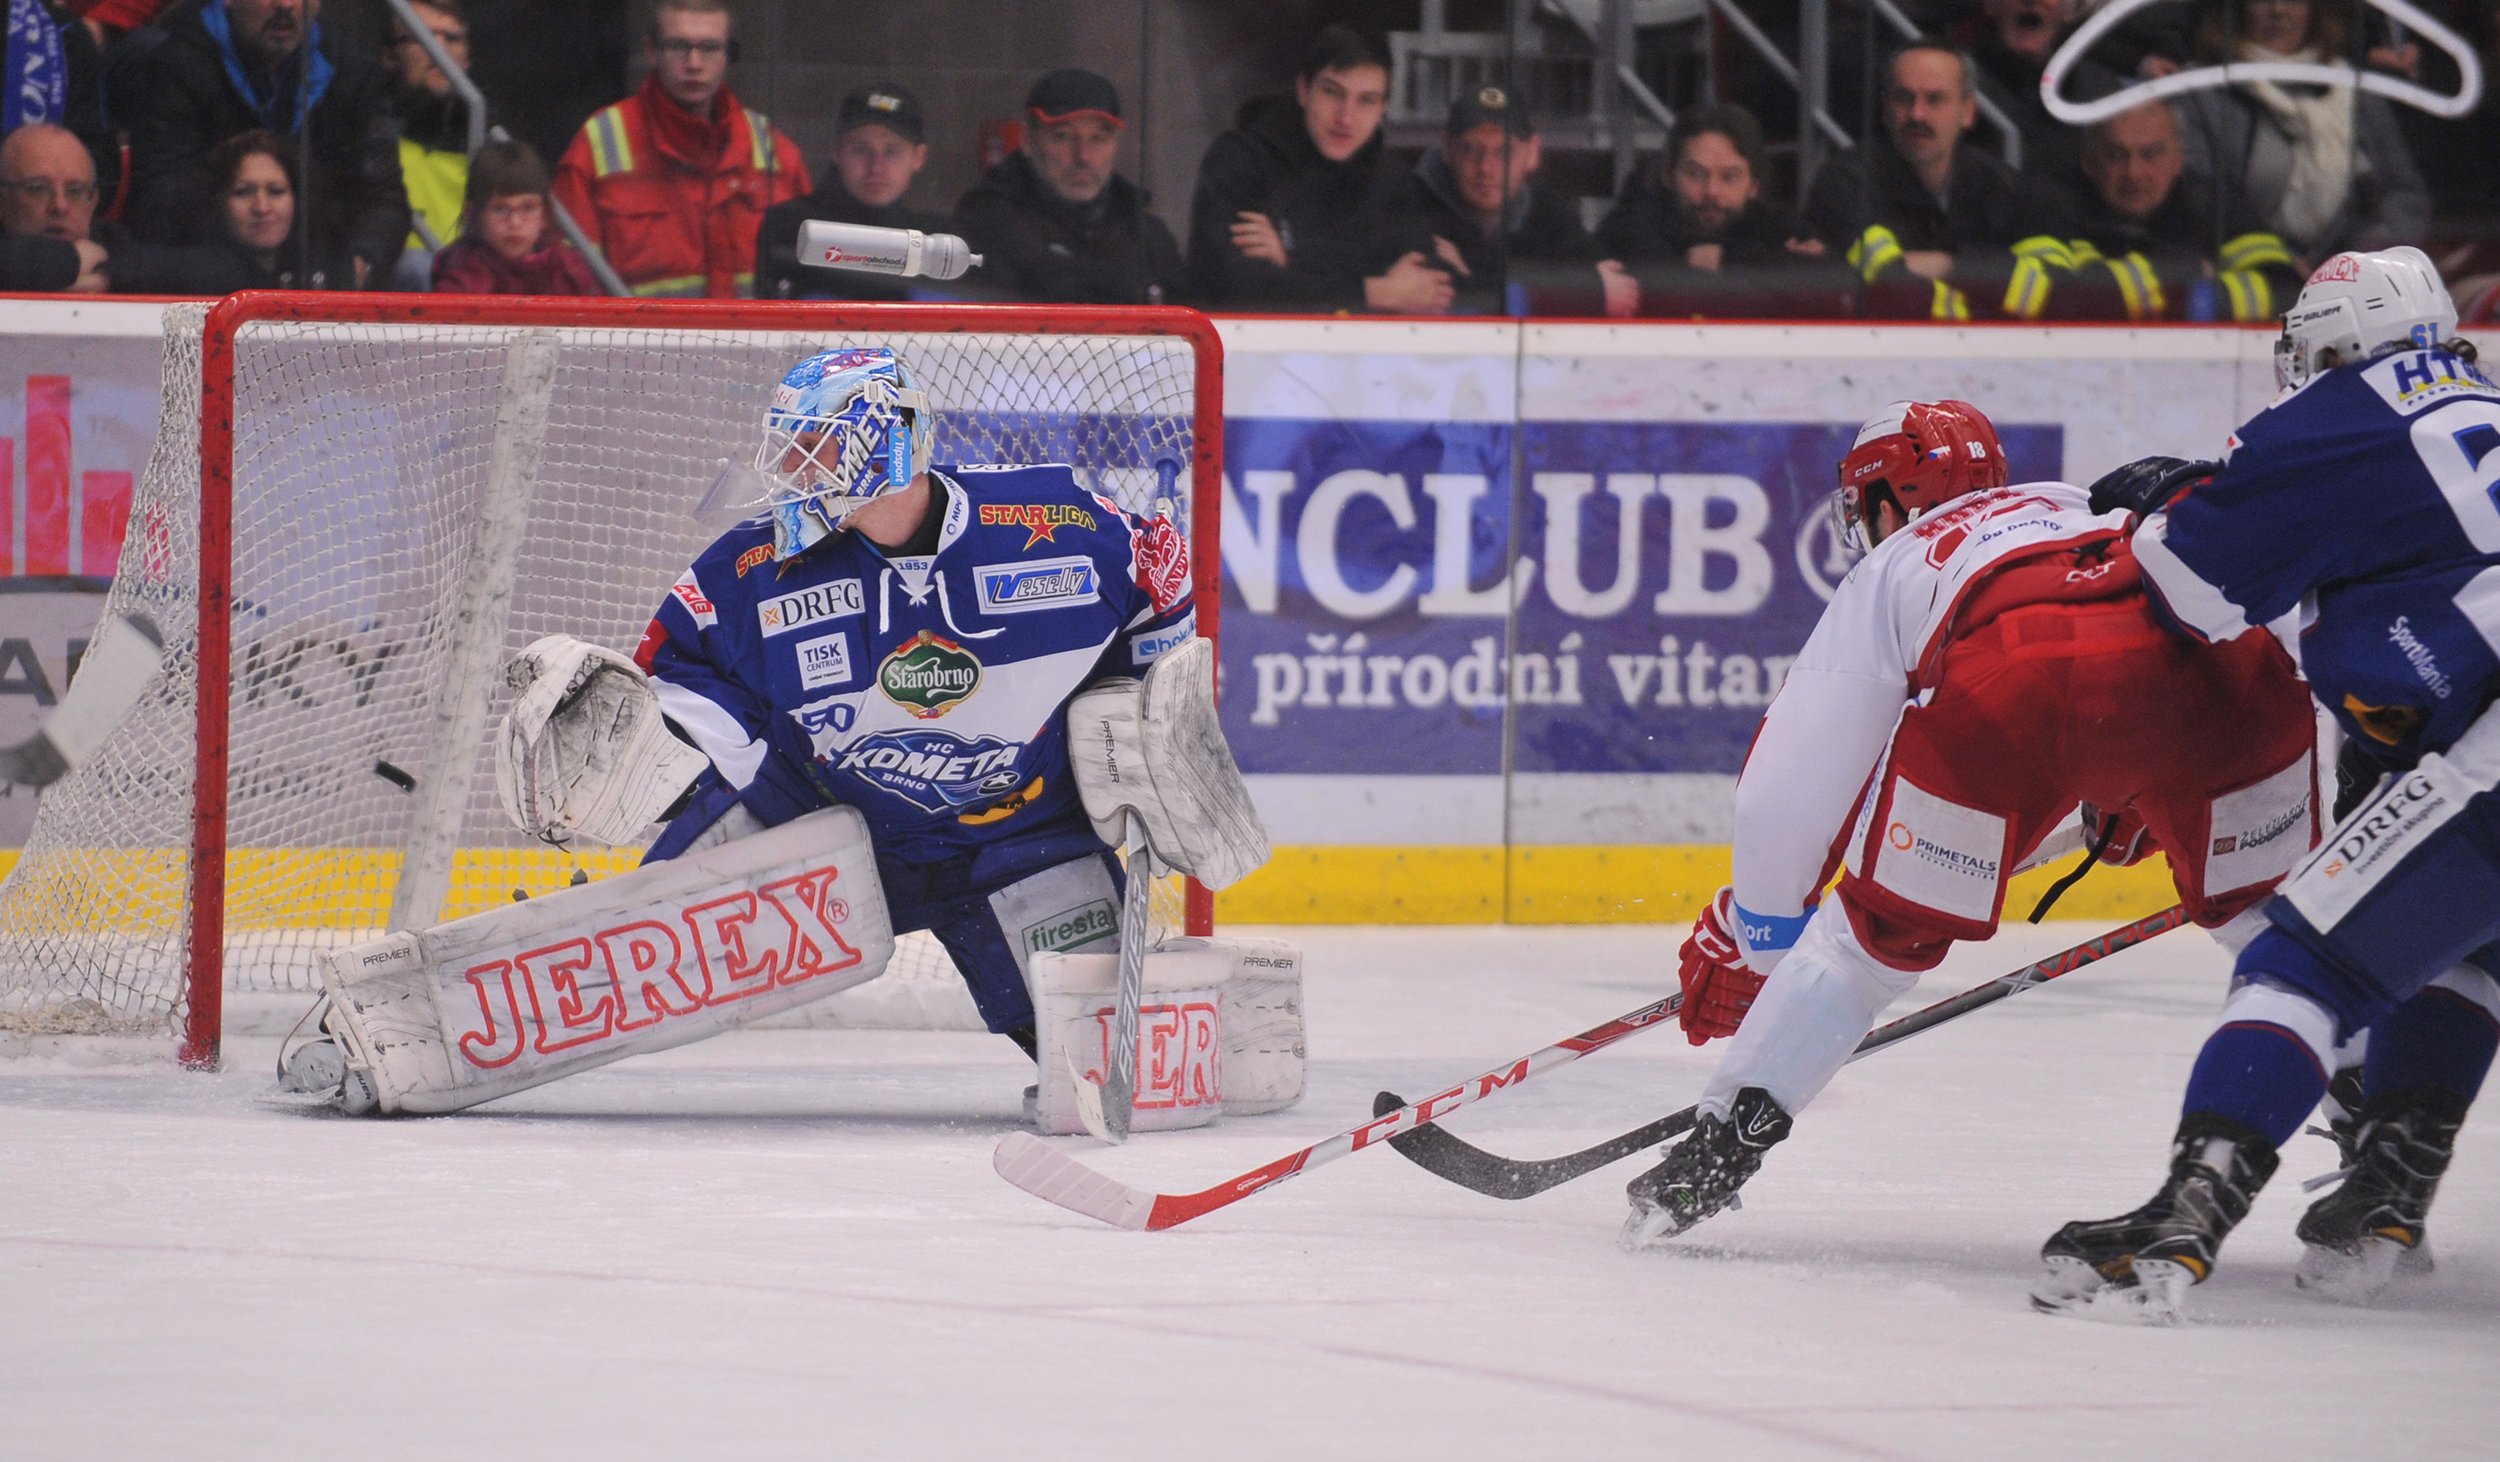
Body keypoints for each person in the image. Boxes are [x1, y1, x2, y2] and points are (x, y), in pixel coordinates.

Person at [1623, 399, 2320, 1253]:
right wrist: (2145, 787)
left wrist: (1762, 937)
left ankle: (1716, 1155)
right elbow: (2226, 636)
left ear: (1888, 502)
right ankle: (2389, 1156)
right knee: (2298, 940)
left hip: (2015, 678)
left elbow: (1790, 787)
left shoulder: (1900, 561)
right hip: (2231, 681)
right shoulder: (2095, 508)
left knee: (1867, 945)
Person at [2036, 248, 2497, 1322]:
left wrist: (2176, 498)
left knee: (2306, 959)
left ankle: (2185, 1216)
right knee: (2468, 942)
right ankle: (2386, 1195)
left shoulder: (2340, 414)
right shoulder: (2477, 401)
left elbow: (2186, 586)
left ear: (2337, 346)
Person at [631, 348, 1203, 1053]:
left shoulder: (1051, 527)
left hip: (1021, 841)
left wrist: (1141, 713)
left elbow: (1160, 572)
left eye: (811, 446)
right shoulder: (756, 566)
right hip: (819, 829)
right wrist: (717, 771)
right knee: (632, 967)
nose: (791, 469)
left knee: (1109, 1059)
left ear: (881, 448)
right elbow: (676, 663)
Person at [116, 0, 408, 287]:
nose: (285, 4)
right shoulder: (175, 61)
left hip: (318, 275)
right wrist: (254, 267)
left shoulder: (353, 69)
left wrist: (360, 263)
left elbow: (383, 199)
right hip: (205, 273)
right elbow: (158, 201)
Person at [1802, 43, 2080, 320]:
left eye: (1935, 99)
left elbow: (2060, 291)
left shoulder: (2005, 186)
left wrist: (1950, 264)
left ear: (1968, 111)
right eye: (1903, 98)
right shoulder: (1845, 182)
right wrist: (1988, 289)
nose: (1917, 114)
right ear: (1885, 109)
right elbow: (1887, 288)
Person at [1184, 24, 1448, 314]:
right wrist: (1376, 291)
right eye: (1333, 93)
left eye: (1366, 100)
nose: (1346, 118)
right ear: (1303, 89)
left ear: (1383, 108)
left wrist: (1293, 260)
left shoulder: (1394, 182)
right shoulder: (1242, 160)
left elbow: (1425, 289)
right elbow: (1232, 285)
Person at [550, 0, 806, 298]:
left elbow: (811, 273)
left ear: (728, 55)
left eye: (709, 48)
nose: (694, 63)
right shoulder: (599, 144)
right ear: (651, 51)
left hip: (751, 330)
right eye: (678, 46)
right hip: (637, 330)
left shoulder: (771, 148)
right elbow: (569, 278)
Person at [2174, 0, 2430, 263]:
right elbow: (2206, 199)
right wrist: (2280, 263)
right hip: (2255, 268)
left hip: (2355, 271)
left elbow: (2403, 192)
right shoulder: (2203, 89)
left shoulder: (2355, 86)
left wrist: (2361, 260)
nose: (2278, 10)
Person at [952, 67, 1186, 306]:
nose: (1083, 156)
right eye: (1062, 136)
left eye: (1098, 138)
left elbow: (1182, 302)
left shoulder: (1141, 227)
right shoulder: (989, 213)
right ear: (1027, 140)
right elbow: (1041, 281)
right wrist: (1136, 287)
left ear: (1116, 143)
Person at [1595, 103, 1854, 318]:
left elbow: (1843, 292)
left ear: (1754, 186)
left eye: (1729, 177)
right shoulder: (1631, 223)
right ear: (1668, 175)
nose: (1712, 191)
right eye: (1695, 174)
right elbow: (1678, 297)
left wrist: (1727, 258)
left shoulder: (1770, 220)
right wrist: (1780, 267)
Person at [2063, 100, 2300, 322]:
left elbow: (2287, 294)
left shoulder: (2212, 204)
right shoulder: (2060, 205)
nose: (2133, 173)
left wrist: (2188, 300)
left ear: (2179, 159)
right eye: (2115, 155)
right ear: (2089, 161)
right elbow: (2061, 297)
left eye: (2151, 154)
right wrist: (2191, 273)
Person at [1406, 84, 1619, 316]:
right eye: (1470, 149)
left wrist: (1469, 275)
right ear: (1448, 150)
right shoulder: (1411, 205)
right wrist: (1571, 288)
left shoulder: (1545, 209)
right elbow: (1441, 302)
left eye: (1504, 151)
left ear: (1532, 153)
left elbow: (1615, 288)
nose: (1486, 168)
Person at [0, 117, 254, 291]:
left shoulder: (111, 243)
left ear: (93, 202)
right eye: (37, 189)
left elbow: (231, 273)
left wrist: (108, 272)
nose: (59, 206)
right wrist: (70, 262)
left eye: (75, 191)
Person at [755, 83, 947, 303]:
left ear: (919, 157)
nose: (876, 167)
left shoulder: (938, 243)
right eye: (861, 149)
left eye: (892, 151)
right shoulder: (793, 229)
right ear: (837, 151)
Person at [429, 137, 596, 295]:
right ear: (474, 214)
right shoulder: (459, 277)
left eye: (528, 208)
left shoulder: (570, 272)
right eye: (500, 209)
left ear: (545, 214)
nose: (515, 223)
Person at [185, 126, 348, 286]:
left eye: (275, 191)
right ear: (219, 202)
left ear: (297, 200)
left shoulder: (325, 273)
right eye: (243, 192)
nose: (262, 208)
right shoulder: (192, 277)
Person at [384, 0, 471, 286]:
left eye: (452, 38)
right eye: (422, 36)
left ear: (467, 57)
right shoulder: (365, 133)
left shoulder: (489, 139)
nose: (439, 48)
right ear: (390, 55)